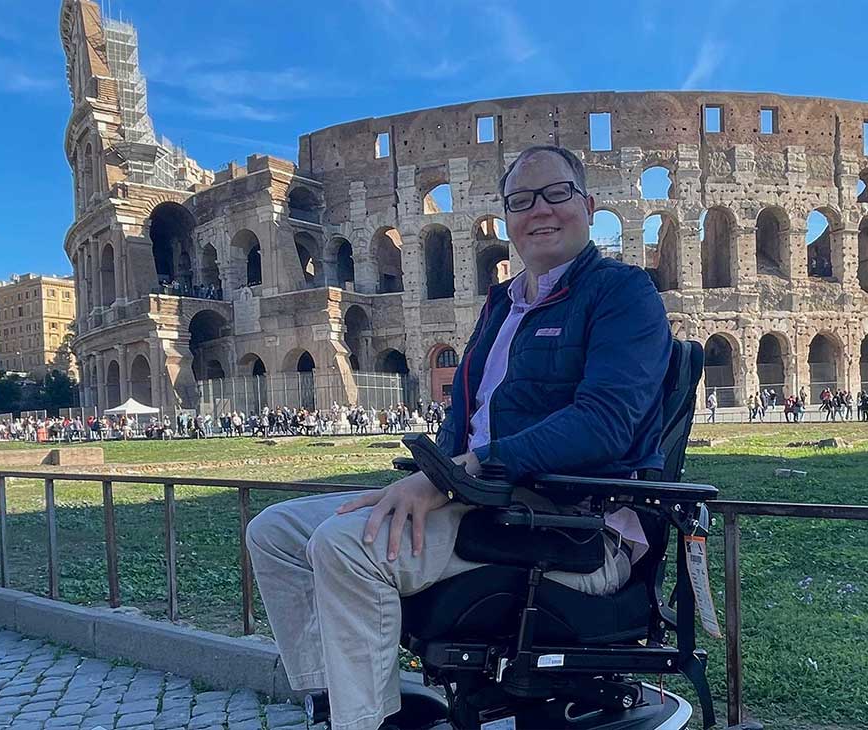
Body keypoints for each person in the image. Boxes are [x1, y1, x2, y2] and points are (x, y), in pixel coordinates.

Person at [246, 145, 671, 730]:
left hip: (567, 521)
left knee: (343, 545)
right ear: (507, 218)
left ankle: (360, 723)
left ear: (589, 205)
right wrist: (431, 478)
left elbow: (603, 423)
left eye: (556, 194)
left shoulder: (622, 294)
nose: (539, 210)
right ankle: (341, 701)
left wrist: (463, 474)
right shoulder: (503, 304)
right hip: (485, 501)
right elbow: (464, 418)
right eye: (521, 201)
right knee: (273, 532)